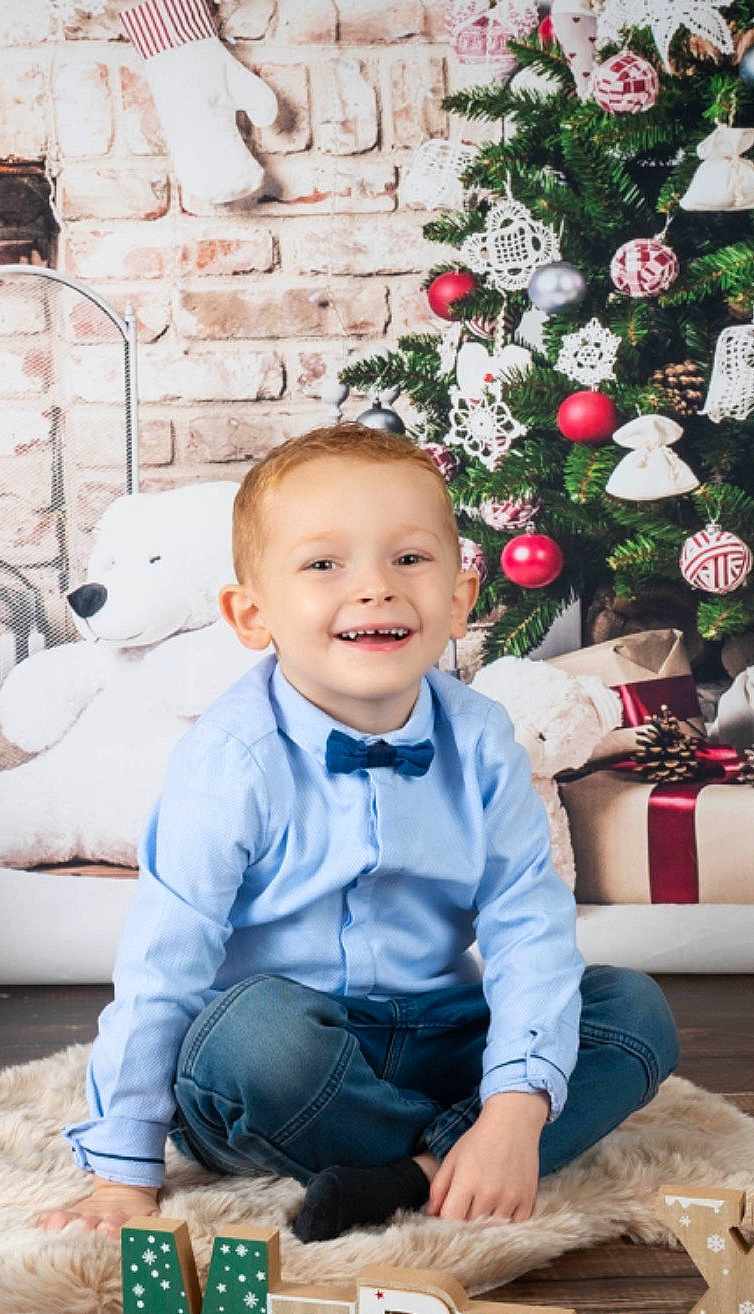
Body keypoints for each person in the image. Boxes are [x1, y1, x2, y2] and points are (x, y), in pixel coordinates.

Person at [34, 423, 678, 1243]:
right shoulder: (230, 759)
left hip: (438, 1030)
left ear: (459, 597)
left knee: (634, 1009)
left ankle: (421, 1171)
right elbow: (163, 963)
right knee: (252, 1040)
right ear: (251, 614)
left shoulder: (482, 740)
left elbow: (527, 926)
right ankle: (451, 1155)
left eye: (409, 559)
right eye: (324, 564)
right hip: (287, 1056)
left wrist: (514, 1110)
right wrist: (121, 1176)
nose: (374, 589)